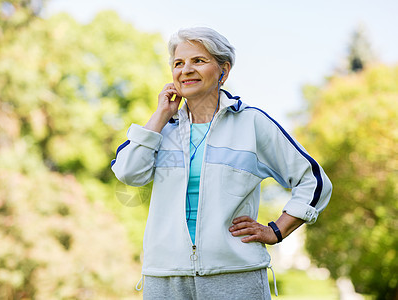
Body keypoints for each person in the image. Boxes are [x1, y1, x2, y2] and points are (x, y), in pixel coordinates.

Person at [111, 27, 332, 300]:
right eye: (178, 63)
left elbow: (314, 181)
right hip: (165, 278)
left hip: (235, 276)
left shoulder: (252, 124)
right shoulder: (159, 130)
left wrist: (277, 230)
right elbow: (128, 172)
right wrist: (159, 116)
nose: (186, 70)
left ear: (223, 71)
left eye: (198, 61)